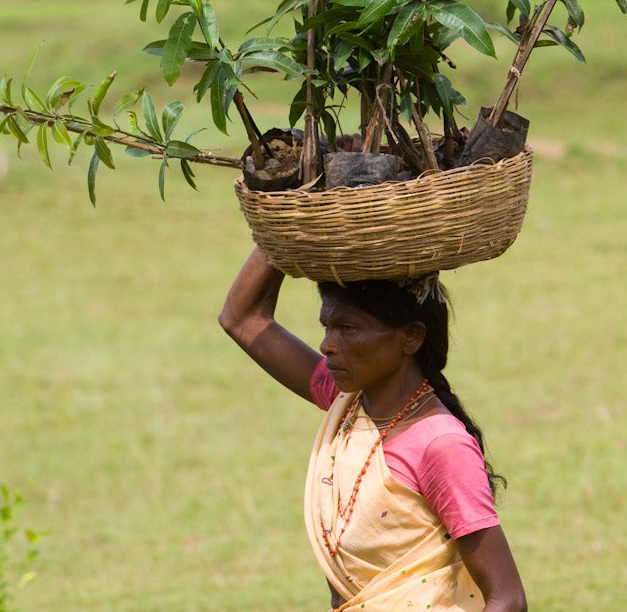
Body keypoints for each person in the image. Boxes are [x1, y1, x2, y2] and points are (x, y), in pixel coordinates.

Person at [219, 245, 527, 612]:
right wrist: (279, 226)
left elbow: (507, 599)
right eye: (327, 327)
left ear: (410, 337)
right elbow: (242, 319)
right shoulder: (346, 403)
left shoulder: (440, 444)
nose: (327, 345)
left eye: (347, 329)